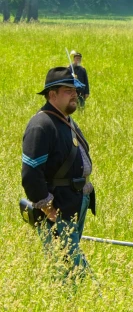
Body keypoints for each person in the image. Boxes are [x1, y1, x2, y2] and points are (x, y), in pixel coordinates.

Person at [21, 67, 95, 277]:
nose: (75, 94)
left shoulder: (65, 120)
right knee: (67, 270)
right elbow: (31, 173)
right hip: (58, 208)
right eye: (67, 90)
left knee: (69, 265)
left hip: (73, 202)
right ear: (52, 94)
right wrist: (46, 206)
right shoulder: (41, 125)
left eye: (75, 90)